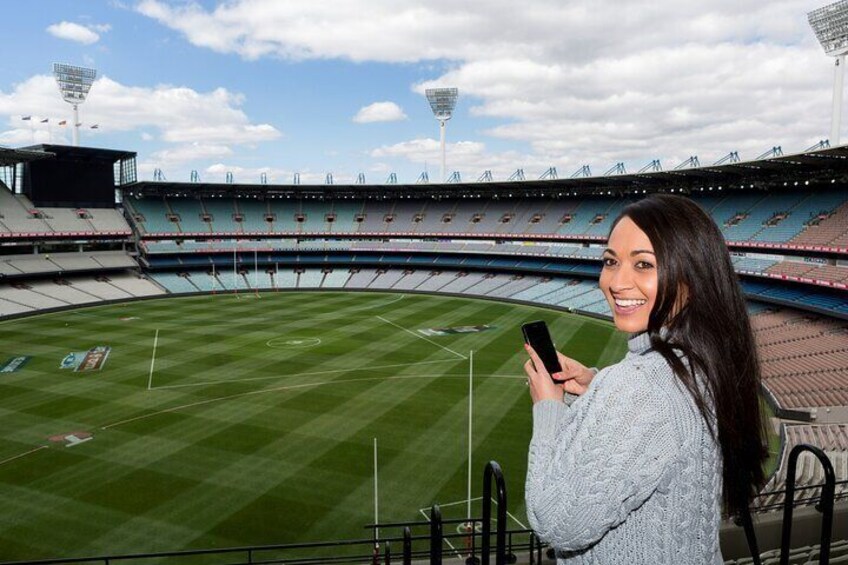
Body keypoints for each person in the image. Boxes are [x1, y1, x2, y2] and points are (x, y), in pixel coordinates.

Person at [523, 194, 767, 564]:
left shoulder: (637, 387)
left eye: (643, 264)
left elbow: (555, 522)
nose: (617, 282)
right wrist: (595, 387)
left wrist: (548, 409)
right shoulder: (704, 361)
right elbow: (665, 423)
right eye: (610, 261)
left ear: (692, 274)